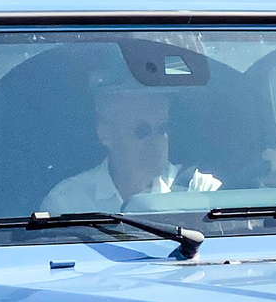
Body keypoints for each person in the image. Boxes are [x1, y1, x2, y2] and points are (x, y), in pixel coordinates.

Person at [41, 87, 221, 214]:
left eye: (163, 129)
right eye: (142, 130)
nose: (158, 140)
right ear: (107, 134)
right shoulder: (67, 204)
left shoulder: (199, 191)